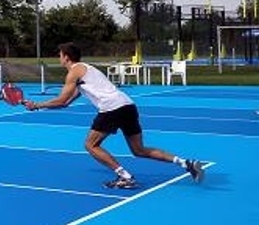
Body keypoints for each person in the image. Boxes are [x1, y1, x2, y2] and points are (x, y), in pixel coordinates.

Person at [24, 42, 205, 189]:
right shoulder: (87, 70)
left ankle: (125, 176)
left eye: (60, 55)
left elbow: (62, 100)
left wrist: (37, 104)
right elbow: (67, 102)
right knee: (139, 150)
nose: (59, 57)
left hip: (112, 108)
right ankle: (186, 163)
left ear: (66, 57)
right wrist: (37, 107)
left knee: (90, 145)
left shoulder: (74, 72)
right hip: (127, 105)